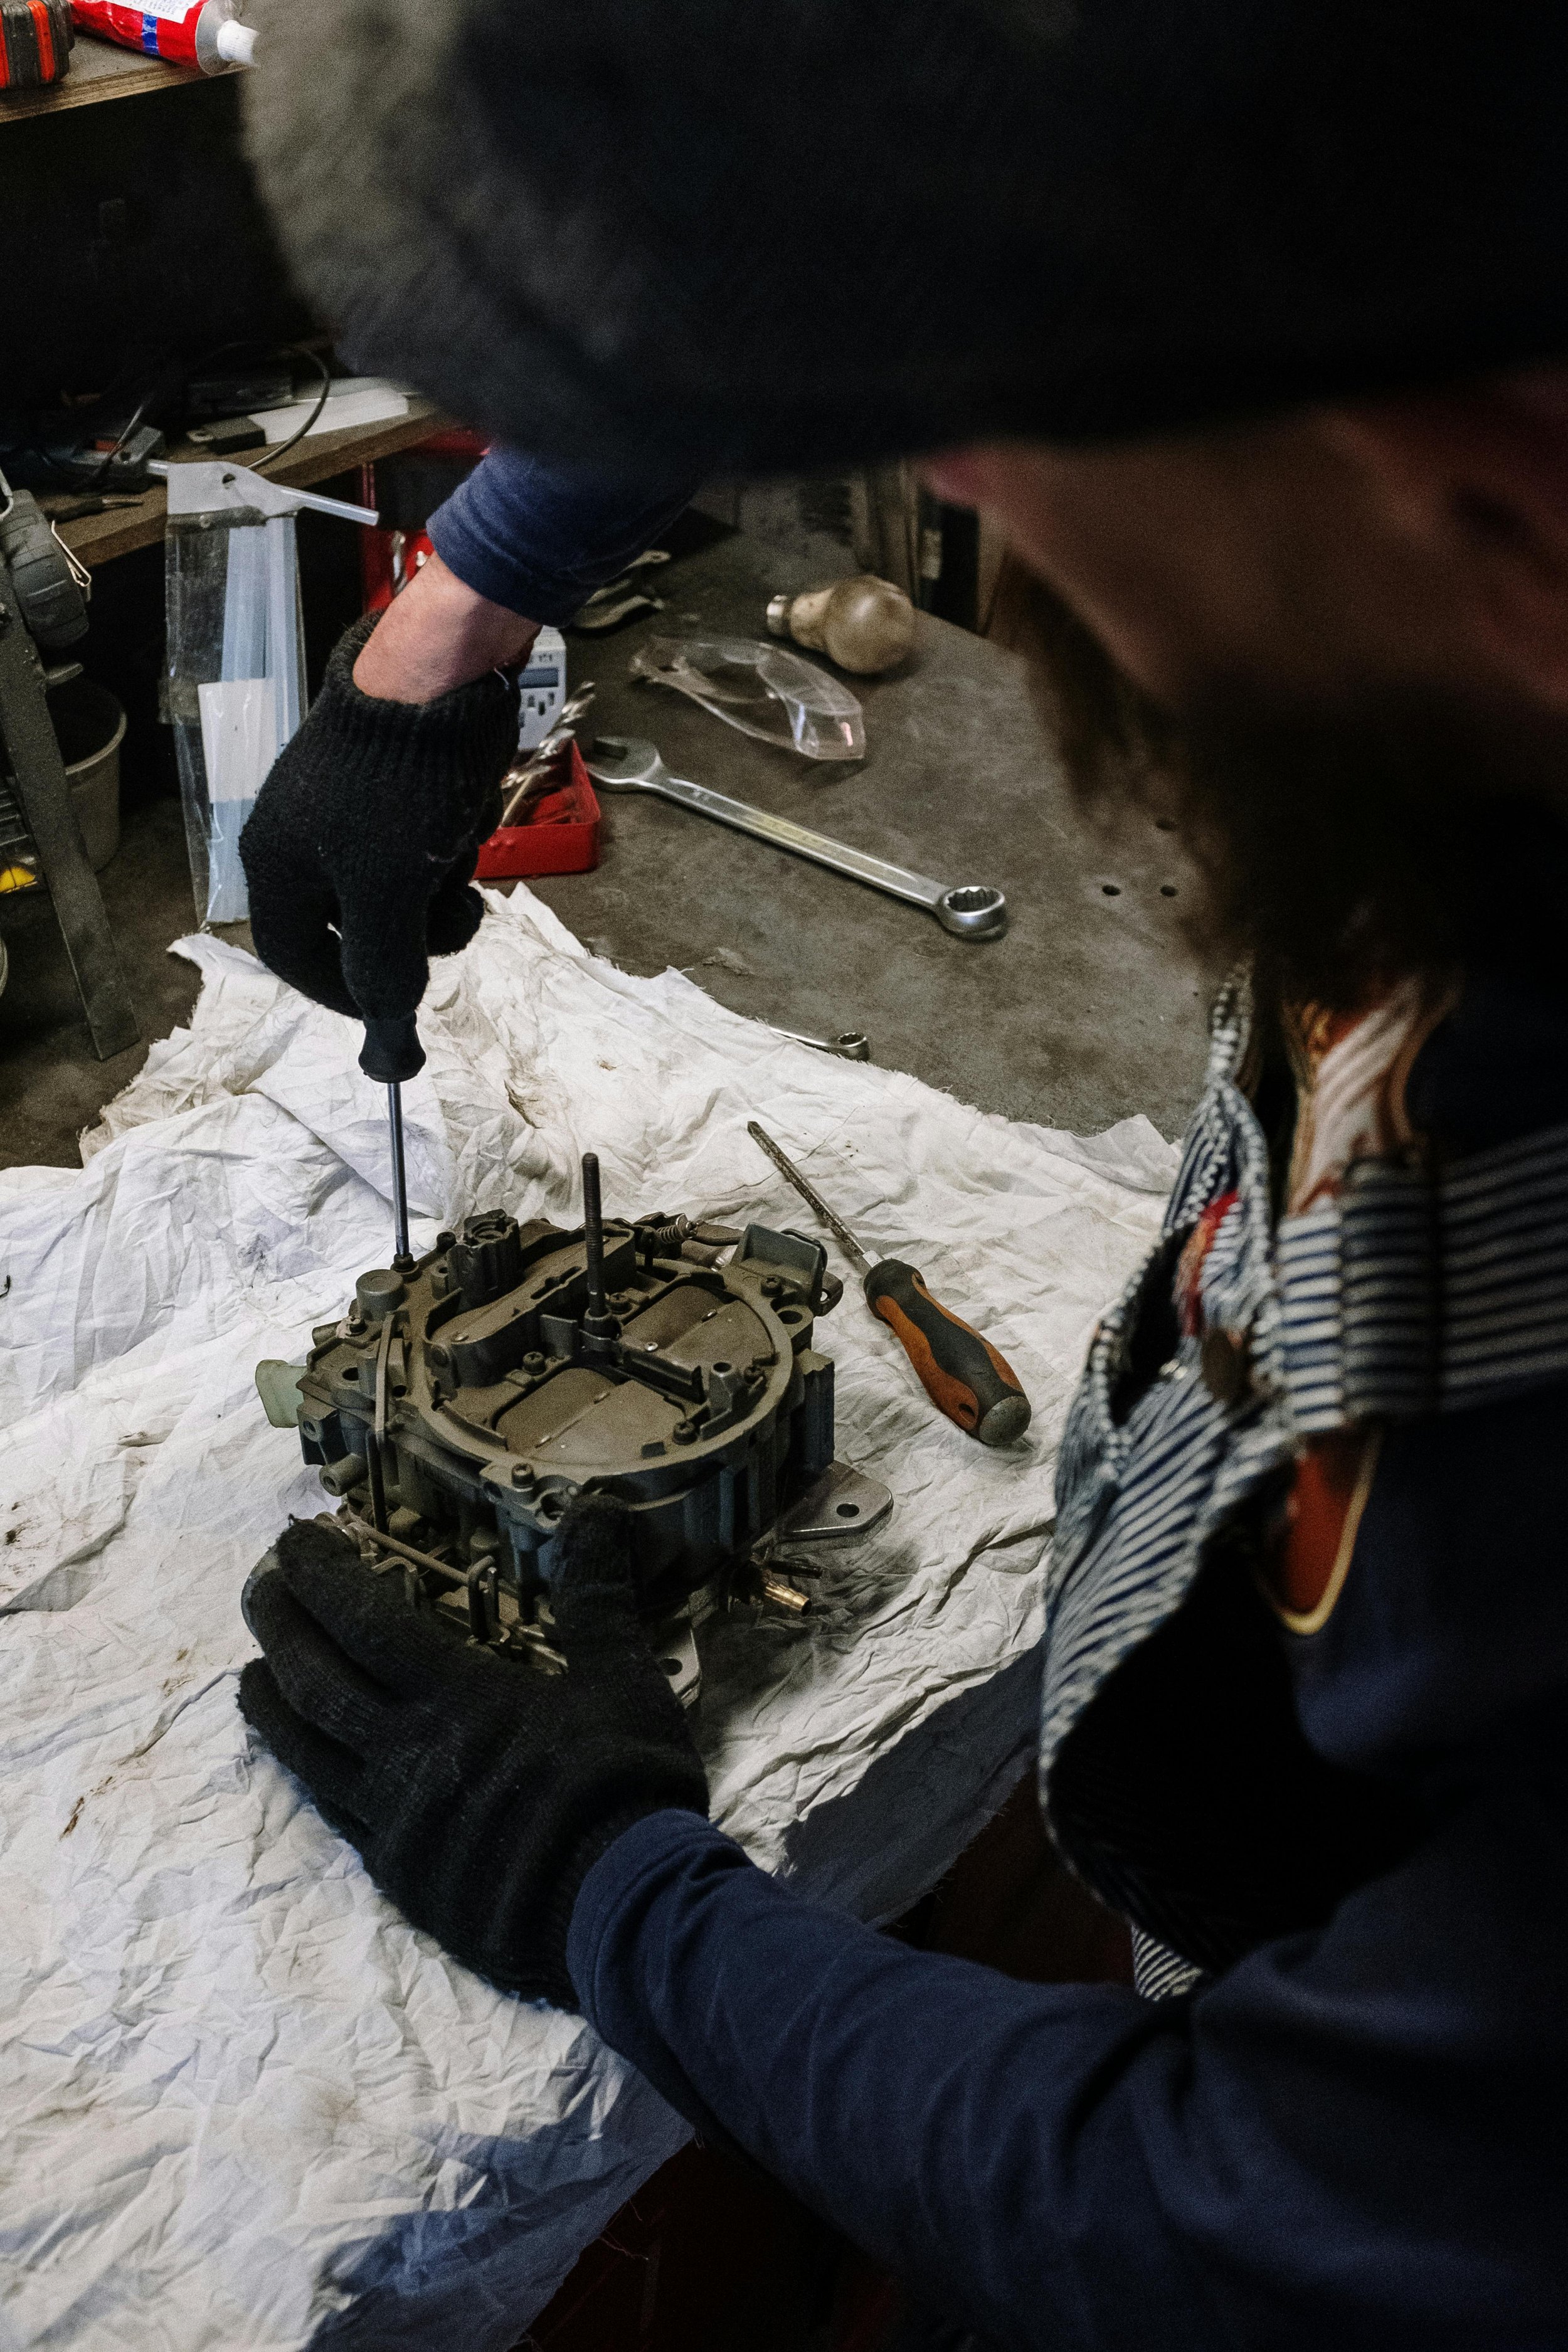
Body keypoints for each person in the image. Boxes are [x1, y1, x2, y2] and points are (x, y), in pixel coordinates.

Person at [233, 2, 1568, 2344]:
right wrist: (445, 630)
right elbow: (813, 252)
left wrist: (608, 1888)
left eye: (1010, 445)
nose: (919, 469)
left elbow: (1271, 2222)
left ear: (1504, 528)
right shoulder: (1467, 686)